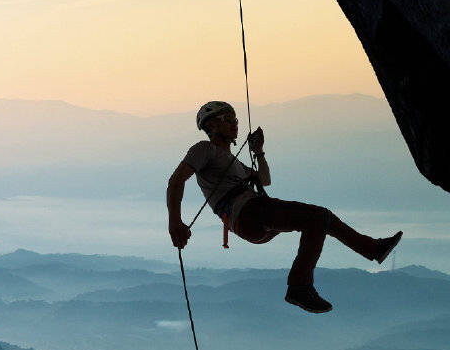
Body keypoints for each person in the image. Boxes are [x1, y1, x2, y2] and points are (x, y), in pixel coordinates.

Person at [166, 100, 403, 313]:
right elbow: (176, 180)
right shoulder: (204, 149)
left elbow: (264, 179)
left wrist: (258, 152)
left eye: (234, 119)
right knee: (317, 217)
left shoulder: (233, 162)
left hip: (252, 219)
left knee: (321, 218)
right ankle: (300, 286)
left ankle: (372, 250)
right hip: (248, 213)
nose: (233, 124)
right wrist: (175, 221)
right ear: (211, 127)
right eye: (226, 120)